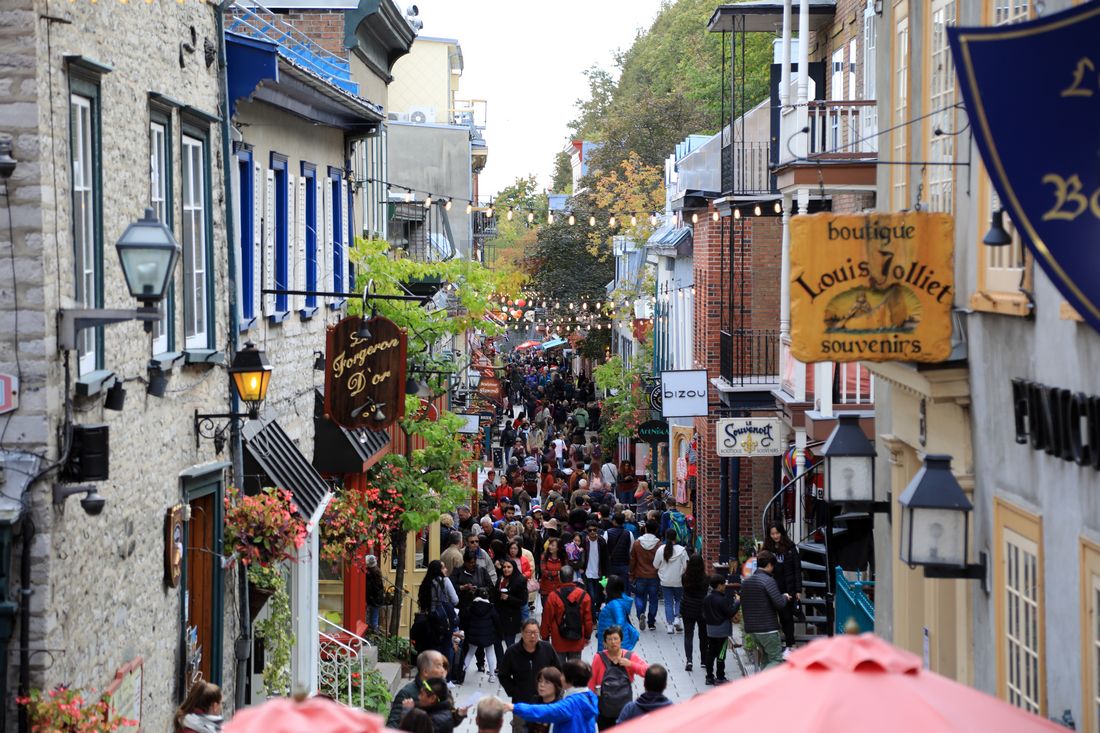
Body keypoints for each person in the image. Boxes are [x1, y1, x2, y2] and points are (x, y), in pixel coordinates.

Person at [497, 619, 562, 733]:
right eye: (529, 632)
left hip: (545, 702)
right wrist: (514, 691)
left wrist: (555, 691)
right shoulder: (512, 652)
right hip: (522, 701)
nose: (533, 636)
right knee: (520, 729)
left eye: (536, 632)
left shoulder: (547, 648)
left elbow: (558, 671)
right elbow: (503, 675)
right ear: (522, 633)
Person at [507, 660, 599, 733]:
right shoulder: (589, 697)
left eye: (563, 675)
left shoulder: (572, 703)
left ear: (571, 679)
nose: (561, 678)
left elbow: (547, 711)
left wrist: (515, 707)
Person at [588, 626, 649, 730]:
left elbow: (648, 672)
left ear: (621, 640)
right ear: (605, 642)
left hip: (625, 710)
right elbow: (591, 682)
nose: (613, 642)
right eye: (609, 639)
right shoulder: (599, 657)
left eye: (615, 639)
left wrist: (630, 664)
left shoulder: (630, 656)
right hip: (604, 710)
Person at [741, 549, 790, 670]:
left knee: (766, 659)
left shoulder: (746, 582)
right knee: (776, 659)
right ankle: (758, 684)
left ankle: (763, 688)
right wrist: (785, 597)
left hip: (752, 629)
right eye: (773, 566)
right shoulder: (768, 581)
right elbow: (779, 604)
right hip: (767, 628)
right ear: (769, 565)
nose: (773, 569)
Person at [540, 565, 593, 661]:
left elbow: (546, 618)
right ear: (573, 577)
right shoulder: (584, 595)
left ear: (559, 577)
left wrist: (545, 637)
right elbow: (588, 620)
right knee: (575, 670)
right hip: (577, 638)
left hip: (558, 639)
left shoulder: (553, 596)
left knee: (559, 670)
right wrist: (587, 636)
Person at [764, 522, 802, 652]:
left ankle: (789, 644)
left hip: (788, 587)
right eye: (772, 533)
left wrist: (798, 590)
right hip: (772, 587)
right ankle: (773, 646)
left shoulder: (790, 548)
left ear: (782, 532)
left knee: (787, 617)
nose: (775, 536)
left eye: (777, 533)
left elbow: (797, 569)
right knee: (772, 617)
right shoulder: (767, 549)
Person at [388, 650, 447, 727]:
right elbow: (392, 727)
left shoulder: (441, 691)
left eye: (442, 666)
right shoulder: (406, 694)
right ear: (425, 671)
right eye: (438, 666)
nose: (443, 670)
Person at [702, 574, 742, 685]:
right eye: (724, 584)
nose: (725, 586)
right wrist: (737, 602)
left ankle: (709, 677)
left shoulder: (707, 598)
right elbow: (730, 613)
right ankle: (720, 677)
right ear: (719, 586)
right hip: (722, 631)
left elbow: (704, 614)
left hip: (710, 630)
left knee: (710, 653)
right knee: (721, 654)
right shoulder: (722, 600)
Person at [462, 588, 503, 683]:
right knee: (490, 653)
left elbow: (466, 620)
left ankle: (462, 671)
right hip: (488, 635)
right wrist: (500, 634)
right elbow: (497, 621)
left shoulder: (472, 606)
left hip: (474, 635)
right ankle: (492, 675)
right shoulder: (490, 607)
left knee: (470, 653)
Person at [652, 529, 688, 634]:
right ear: (675, 537)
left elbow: (655, 565)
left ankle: (669, 625)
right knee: (678, 600)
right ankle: (677, 617)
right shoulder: (682, 550)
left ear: (665, 536)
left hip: (665, 580)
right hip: (678, 580)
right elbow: (686, 566)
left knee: (668, 602)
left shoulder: (660, 550)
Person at [628, 520, 662, 631]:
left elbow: (633, 560)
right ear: (656, 530)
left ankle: (640, 614)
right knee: (653, 599)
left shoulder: (637, 543)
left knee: (639, 597)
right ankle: (651, 622)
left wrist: (631, 574)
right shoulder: (658, 545)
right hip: (654, 575)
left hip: (640, 574)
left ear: (646, 529)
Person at [679, 553, 709, 672]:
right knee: (703, 636)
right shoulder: (706, 578)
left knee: (688, 635)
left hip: (687, 608)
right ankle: (703, 660)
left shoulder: (684, 577)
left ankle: (689, 660)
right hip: (702, 608)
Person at [595, 576, 638, 652]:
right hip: (612, 643)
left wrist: (609, 640)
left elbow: (619, 623)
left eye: (605, 588)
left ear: (611, 589)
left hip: (613, 646)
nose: (603, 590)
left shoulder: (615, 604)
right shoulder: (616, 602)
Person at [497, 558, 528, 650]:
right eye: (504, 567)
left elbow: (523, 601)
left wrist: (508, 598)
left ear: (514, 568)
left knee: (510, 643)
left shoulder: (519, 581)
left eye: (509, 567)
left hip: (512, 617)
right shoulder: (501, 579)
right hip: (500, 615)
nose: (506, 569)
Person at [581, 522, 608, 616]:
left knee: (599, 596)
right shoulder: (584, 541)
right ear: (587, 531)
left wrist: (606, 576)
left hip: (599, 573)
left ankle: (596, 613)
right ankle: (593, 617)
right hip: (588, 573)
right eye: (590, 530)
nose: (592, 532)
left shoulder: (601, 541)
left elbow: (605, 559)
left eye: (594, 530)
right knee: (591, 597)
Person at [526, 667, 564, 733]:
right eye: (540, 681)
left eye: (547, 682)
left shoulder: (560, 707)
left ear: (556, 685)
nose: (542, 685)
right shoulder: (534, 701)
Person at [539, 536, 565, 609]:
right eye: (550, 544)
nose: (550, 547)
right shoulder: (544, 556)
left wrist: (553, 573)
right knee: (546, 610)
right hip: (546, 589)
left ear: (558, 548)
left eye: (553, 545)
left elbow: (564, 571)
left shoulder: (562, 558)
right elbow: (544, 572)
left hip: (559, 588)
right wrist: (557, 573)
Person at [364, 554, 385, 631]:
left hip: (373, 597)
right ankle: (374, 627)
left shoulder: (370, 573)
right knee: (374, 614)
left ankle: (373, 628)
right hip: (376, 597)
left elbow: (371, 587)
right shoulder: (376, 571)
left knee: (372, 614)